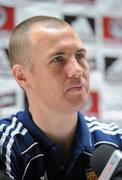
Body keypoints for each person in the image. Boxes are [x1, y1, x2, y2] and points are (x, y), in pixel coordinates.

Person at [0, 15, 122, 180]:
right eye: (58, 59)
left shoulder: (115, 141)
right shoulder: (5, 145)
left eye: (79, 56)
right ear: (22, 76)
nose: (77, 70)